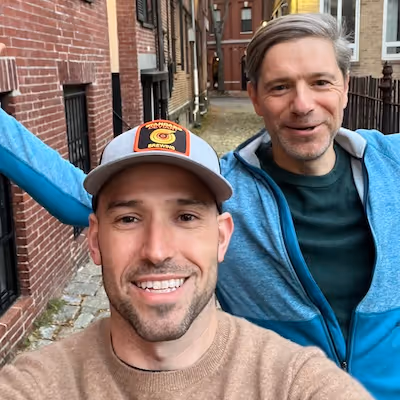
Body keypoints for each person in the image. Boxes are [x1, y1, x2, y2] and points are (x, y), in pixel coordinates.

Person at [0, 13, 398, 399]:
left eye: (320, 82)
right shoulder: (220, 194)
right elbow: (86, 198)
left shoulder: (392, 164)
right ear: (255, 97)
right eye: (280, 87)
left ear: (345, 85)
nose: (303, 104)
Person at [0, 120, 373, 399]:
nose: (157, 250)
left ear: (222, 237)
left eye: (186, 217)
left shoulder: (292, 381)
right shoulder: (37, 386)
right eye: (129, 219)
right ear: (95, 240)